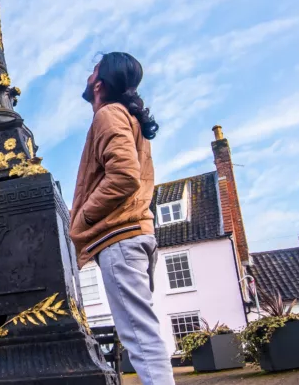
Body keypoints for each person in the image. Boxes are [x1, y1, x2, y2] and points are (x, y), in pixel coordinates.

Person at [69, 52, 174, 385]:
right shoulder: (127, 117)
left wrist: (82, 217)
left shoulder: (109, 115)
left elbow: (124, 176)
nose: (88, 76)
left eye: (93, 71)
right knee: (144, 332)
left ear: (99, 83)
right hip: (136, 235)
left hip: (121, 239)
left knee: (139, 338)